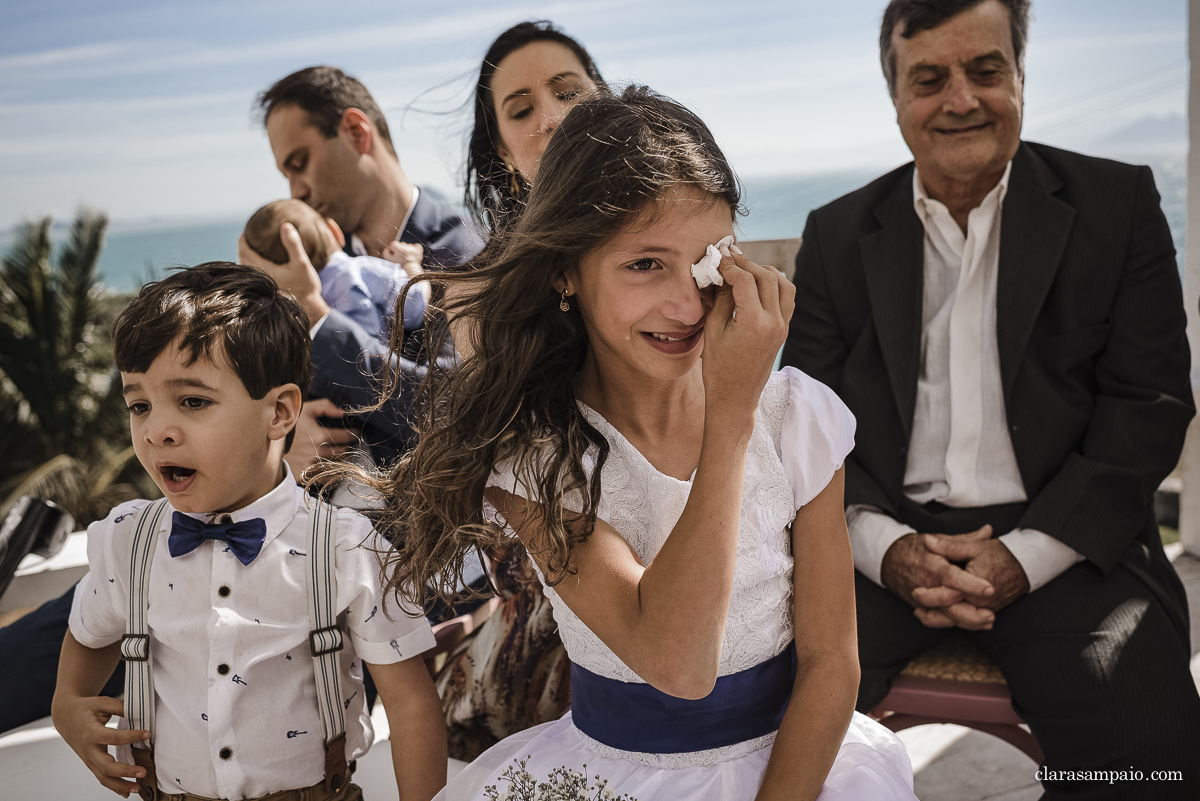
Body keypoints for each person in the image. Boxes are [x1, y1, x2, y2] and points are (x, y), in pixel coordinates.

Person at [352, 85, 917, 801]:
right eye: (645, 264)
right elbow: (678, 661)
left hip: (804, 770)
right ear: (565, 271)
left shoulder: (797, 416)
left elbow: (834, 663)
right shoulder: (535, 457)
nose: (687, 304)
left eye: (708, 259)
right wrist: (731, 420)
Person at [781, 0, 1200, 797]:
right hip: (881, 551)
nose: (961, 98)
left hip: (1073, 544)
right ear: (896, 98)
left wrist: (1028, 554)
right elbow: (805, 423)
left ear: (1020, 76)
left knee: (1151, 761)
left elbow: (1147, 405)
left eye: (985, 70)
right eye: (929, 78)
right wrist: (885, 548)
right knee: (750, 718)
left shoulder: (1117, 207)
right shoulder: (835, 237)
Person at [51, 262, 446, 801]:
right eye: (139, 405)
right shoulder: (128, 542)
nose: (157, 431)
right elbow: (88, 638)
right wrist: (68, 706)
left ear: (280, 411)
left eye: (192, 401)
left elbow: (411, 704)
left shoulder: (344, 547)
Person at [428, 20, 608, 761]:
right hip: (568, 587)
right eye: (522, 107)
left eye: (569, 91)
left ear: (606, 103)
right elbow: (534, 466)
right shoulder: (479, 296)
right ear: (502, 151)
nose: (553, 115)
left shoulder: (683, 242)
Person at [237, 66, 483, 472]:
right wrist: (282, 452)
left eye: (300, 163)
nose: (295, 191)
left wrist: (318, 319)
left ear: (355, 130)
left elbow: (461, 412)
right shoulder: (315, 266)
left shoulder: (468, 256)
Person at [244, 198, 429, 343]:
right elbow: (415, 307)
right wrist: (411, 264)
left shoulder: (288, 314)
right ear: (335, 230)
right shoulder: (360, 270)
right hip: (379, 376)